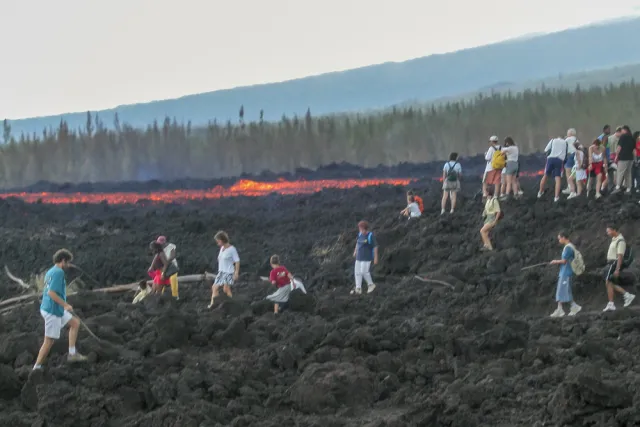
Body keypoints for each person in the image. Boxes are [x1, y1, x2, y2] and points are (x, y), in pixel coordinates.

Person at [33, 249, 87, 370]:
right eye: (67, 263)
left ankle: (72, 354)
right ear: (63, 260)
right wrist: (65, 305)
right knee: (49, 341)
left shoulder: (50, 271)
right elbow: (51, 293)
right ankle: (36, 368)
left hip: (51, 307)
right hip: (52, 310)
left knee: (75, 323)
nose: (68, 265)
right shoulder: (58, 272)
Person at [549, 232, 582, 317]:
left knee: (566, 291)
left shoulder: (568, 248)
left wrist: (555, 261)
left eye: (559, 238)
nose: (559, 240)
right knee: (560, 290)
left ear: (564, 237)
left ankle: (574, 307)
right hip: (564, 272)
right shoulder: (569, 247)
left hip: (566, 272)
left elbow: (564, 261)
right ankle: (560, 309)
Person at [602, 225, 635, 312]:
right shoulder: (614, 239)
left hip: (614, 263)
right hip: (611, 263)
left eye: (608, 231)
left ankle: (611, 303)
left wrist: (617, 269)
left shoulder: (620, 241)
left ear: (614, 230)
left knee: (608, 281)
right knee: (609, 282)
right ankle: (627, 295)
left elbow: (620, 256)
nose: (607, 233)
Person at [209, 231, 240, 308]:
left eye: (218, 241)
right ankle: (214, 304)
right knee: (219, 288)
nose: (217, 243)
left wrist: (236, 273)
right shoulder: (222, 248)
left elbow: (237, 261)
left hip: (228, 272)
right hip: (221, 271)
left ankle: (216, 304)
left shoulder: (232, 249)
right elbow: (220, 258)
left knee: (222, 289)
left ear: (222, 240)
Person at [351, 220, 378, 295]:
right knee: (357, 272)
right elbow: (357, 243)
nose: (360, 230)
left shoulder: (370, 235)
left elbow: (375, 247)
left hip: (367, 258)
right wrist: (355, 251)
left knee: (364, 272)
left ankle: (371, 285)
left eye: (361, 229)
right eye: (359, 229)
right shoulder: (360, 234)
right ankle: (358, 288)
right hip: (359, 257)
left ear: (365, 229)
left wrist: (375, 258)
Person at [538, 136, 567, 202]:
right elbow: (565, 153)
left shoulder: (553, 140)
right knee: (557, 178)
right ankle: (556, 197)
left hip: (550, 159)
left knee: (545, 176)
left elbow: (546, 150)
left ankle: (540, 192)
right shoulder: (565, 142)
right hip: (559, 160)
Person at [613, 125, 635, 194]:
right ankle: (628, 189)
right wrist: (635, 158)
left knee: (620, 172)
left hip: (623, 158)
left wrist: (616, 156)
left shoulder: (623, 137)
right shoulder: (632, 137)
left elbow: (619, 147)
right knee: (628, 173)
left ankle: (617, 187)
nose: (621, 131)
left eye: (622, 130)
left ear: (625, 130)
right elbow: (634, 150)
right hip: (630, 158)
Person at [480, 186, 500, 251]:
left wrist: (495, 220)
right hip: (487, 218)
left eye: (486, 191)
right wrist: (483, 214)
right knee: (485, 233)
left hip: (492, 218)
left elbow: (498, 211)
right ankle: (488, 246)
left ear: (488, 192)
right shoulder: (488, 200)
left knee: (482, 231)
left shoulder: (494, 200)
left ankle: (488, 246)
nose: (485, 193)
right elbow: (486, 209)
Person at [562, 129, 578, 198]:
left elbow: (563, 145)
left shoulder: (568, 139)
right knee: (573, 172)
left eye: (568, 133)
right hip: (577, 155)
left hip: (571, 155)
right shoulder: (576, 139)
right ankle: (571, 187)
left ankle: (572, 190)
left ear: (570, 133)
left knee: (568, 172)